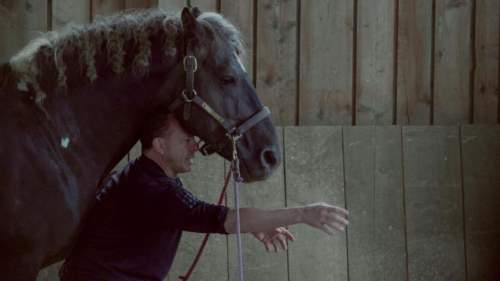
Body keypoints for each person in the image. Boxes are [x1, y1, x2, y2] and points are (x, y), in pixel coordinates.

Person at [60, 108, 349, 281]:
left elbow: (215, 217)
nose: (194, 147)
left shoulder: (142, 176)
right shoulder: (153, 189)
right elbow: (222, 219)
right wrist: (303, 213)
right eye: (186, 140)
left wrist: (254, 228)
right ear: (159, 145)